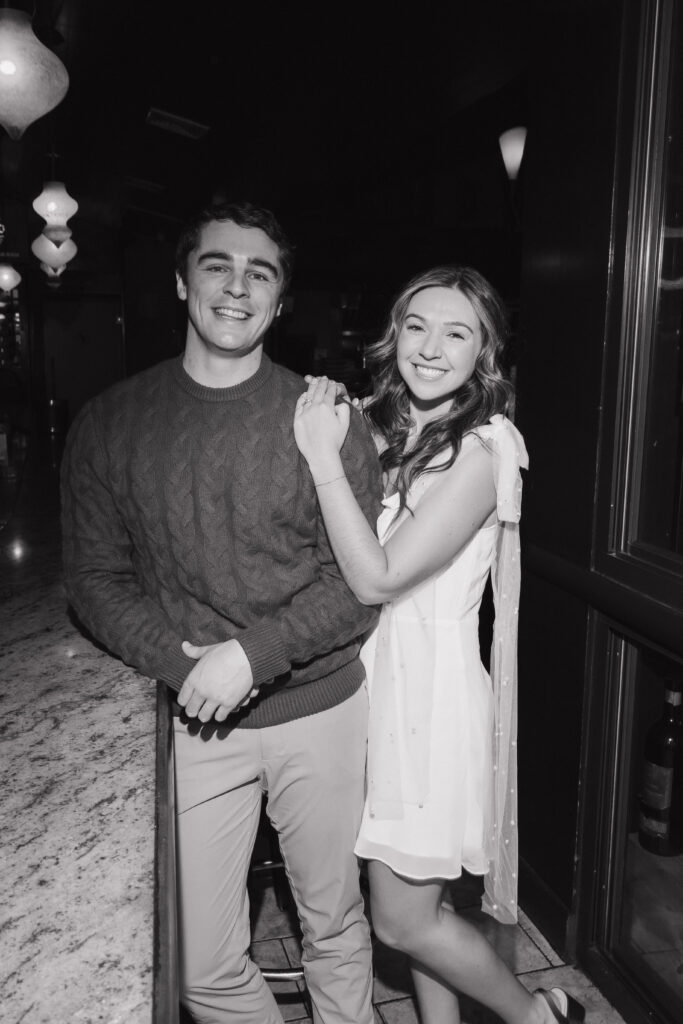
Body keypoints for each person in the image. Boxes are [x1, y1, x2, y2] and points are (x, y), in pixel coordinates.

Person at [61, 200, 383, 1024]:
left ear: (279, 300)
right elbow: (94, 578)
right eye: (218, 266)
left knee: (335, 924)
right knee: (199, 969)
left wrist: (250, 653)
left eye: (259, 273)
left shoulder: (325, 420)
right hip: (197, 719)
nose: (238, 287)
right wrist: (184, 665)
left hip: (320, 709)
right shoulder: (109, 424)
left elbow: (355, 585)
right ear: (182, 283)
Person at [293, 265, 585, 1024]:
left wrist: (322, 459)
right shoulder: (386, 429)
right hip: (369, 680)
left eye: (456, 333)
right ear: (393, 335)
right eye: (417, 326)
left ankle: (537, 1015)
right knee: (425, 903)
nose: (430, 347)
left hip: (426, 699)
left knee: (400, 921)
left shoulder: (486, 450)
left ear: (484, 351)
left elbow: (378, 577)